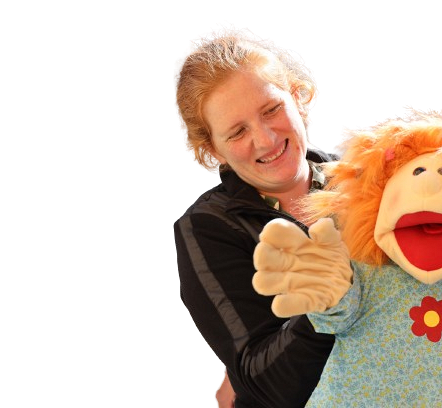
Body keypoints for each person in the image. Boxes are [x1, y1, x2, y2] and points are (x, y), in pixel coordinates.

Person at [171, 18, 337, 407]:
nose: (265, 139)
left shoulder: (369, 180)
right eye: (237, 132)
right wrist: (328, 298)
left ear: (296, 96)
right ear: (212, 149)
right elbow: (267, 386)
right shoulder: (206, 226)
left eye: (271, 109)